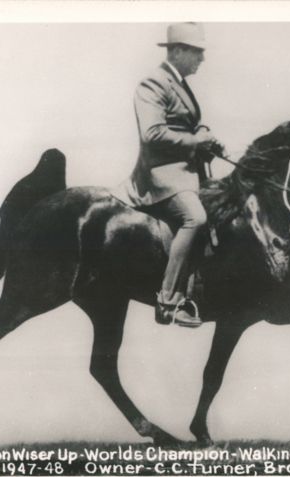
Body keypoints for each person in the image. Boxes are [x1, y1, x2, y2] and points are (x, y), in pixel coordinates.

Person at [115, 22, 224, 328]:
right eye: (196, 52)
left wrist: (204, 135)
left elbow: (185, 125)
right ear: (177, 51)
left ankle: (200, 291)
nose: (201, 59)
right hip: (160, 176)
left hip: (186, 173)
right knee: (196, 219)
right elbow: (152, 133)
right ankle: (168, 301)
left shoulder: (179, 83)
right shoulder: (153, 84)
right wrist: (195, 141)